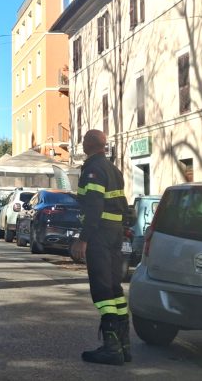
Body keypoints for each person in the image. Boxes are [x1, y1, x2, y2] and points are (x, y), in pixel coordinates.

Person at [71, 129, 130, 365]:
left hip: (99, 236)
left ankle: (111, 347)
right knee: (114, 288)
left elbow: (95, 208)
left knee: (102, 290)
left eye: (83, 139)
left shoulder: (93, 169)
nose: (82, 143)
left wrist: (83, 239)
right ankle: (124, 346)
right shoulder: (113, 169)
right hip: (114, 234)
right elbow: (119, 204)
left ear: (88, 144)